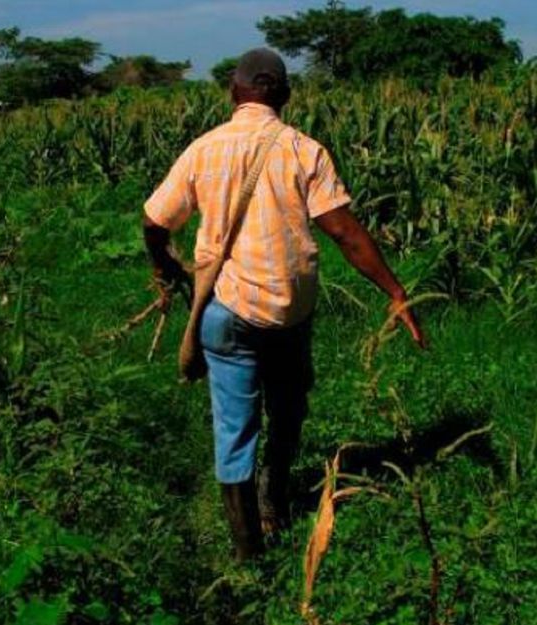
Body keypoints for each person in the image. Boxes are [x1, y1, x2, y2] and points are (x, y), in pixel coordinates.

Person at [143, 48, 424, 561]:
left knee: (234, 428)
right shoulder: (304, 150)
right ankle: (273, 499)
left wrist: (163, 265)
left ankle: (248, 551)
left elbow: (154, 221)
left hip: (225, 312)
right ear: (287, 96)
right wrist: (397, 292)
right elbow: (345, 233)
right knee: (288, 410)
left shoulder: (202, 149)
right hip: (290, 316)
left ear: (233, 92)